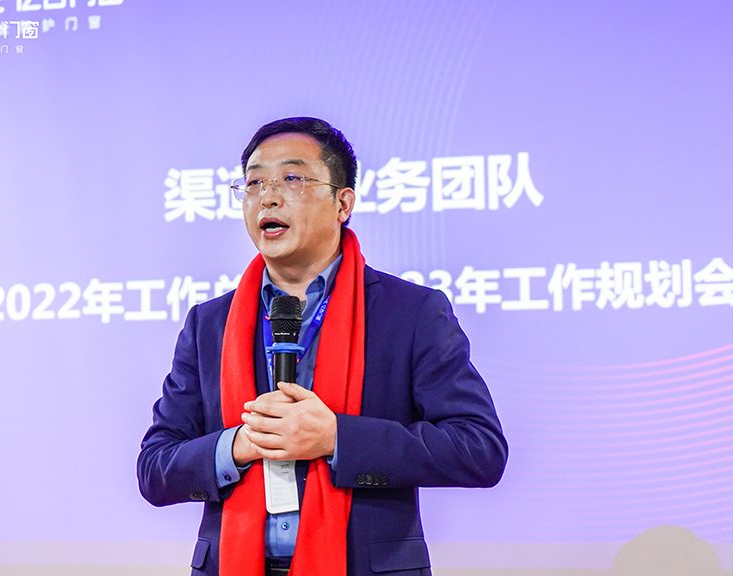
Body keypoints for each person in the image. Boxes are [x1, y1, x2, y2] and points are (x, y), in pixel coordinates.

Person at [138, 117, 508, 576]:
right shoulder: (208, 324)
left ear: (343, 203)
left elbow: (479, 449)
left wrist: (336, 437)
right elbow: (154, 468)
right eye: (253, 183)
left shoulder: (411, 312)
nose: (268, 197)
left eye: (292, 178)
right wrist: (237, 446)